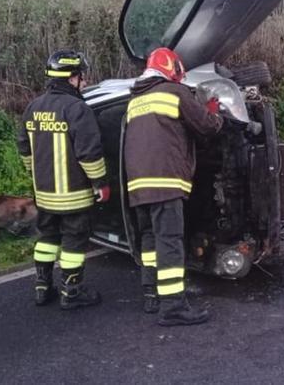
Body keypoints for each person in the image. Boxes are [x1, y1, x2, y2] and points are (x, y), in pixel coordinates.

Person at [124, 47, 222, 326]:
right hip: (165, 182)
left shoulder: (135, 100)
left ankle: (151, 294)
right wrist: (214, 112)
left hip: (138, 186)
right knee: (169, 242)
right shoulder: (174, 92)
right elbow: (207, 127)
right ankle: (173, 306)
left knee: (150, 239)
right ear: (173, 68)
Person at [17, 50, 110, 310]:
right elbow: (89, 153)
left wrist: (35, 175)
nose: (84, 80)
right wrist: (100, 182)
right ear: (72, 78)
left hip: (44, 194)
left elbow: (24, 150)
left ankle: (42, 287)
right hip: (74, 195)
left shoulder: (33, 107)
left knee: (46, 238)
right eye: (82, 76)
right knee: (73, 243)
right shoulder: (77, 109)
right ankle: (72, 292)